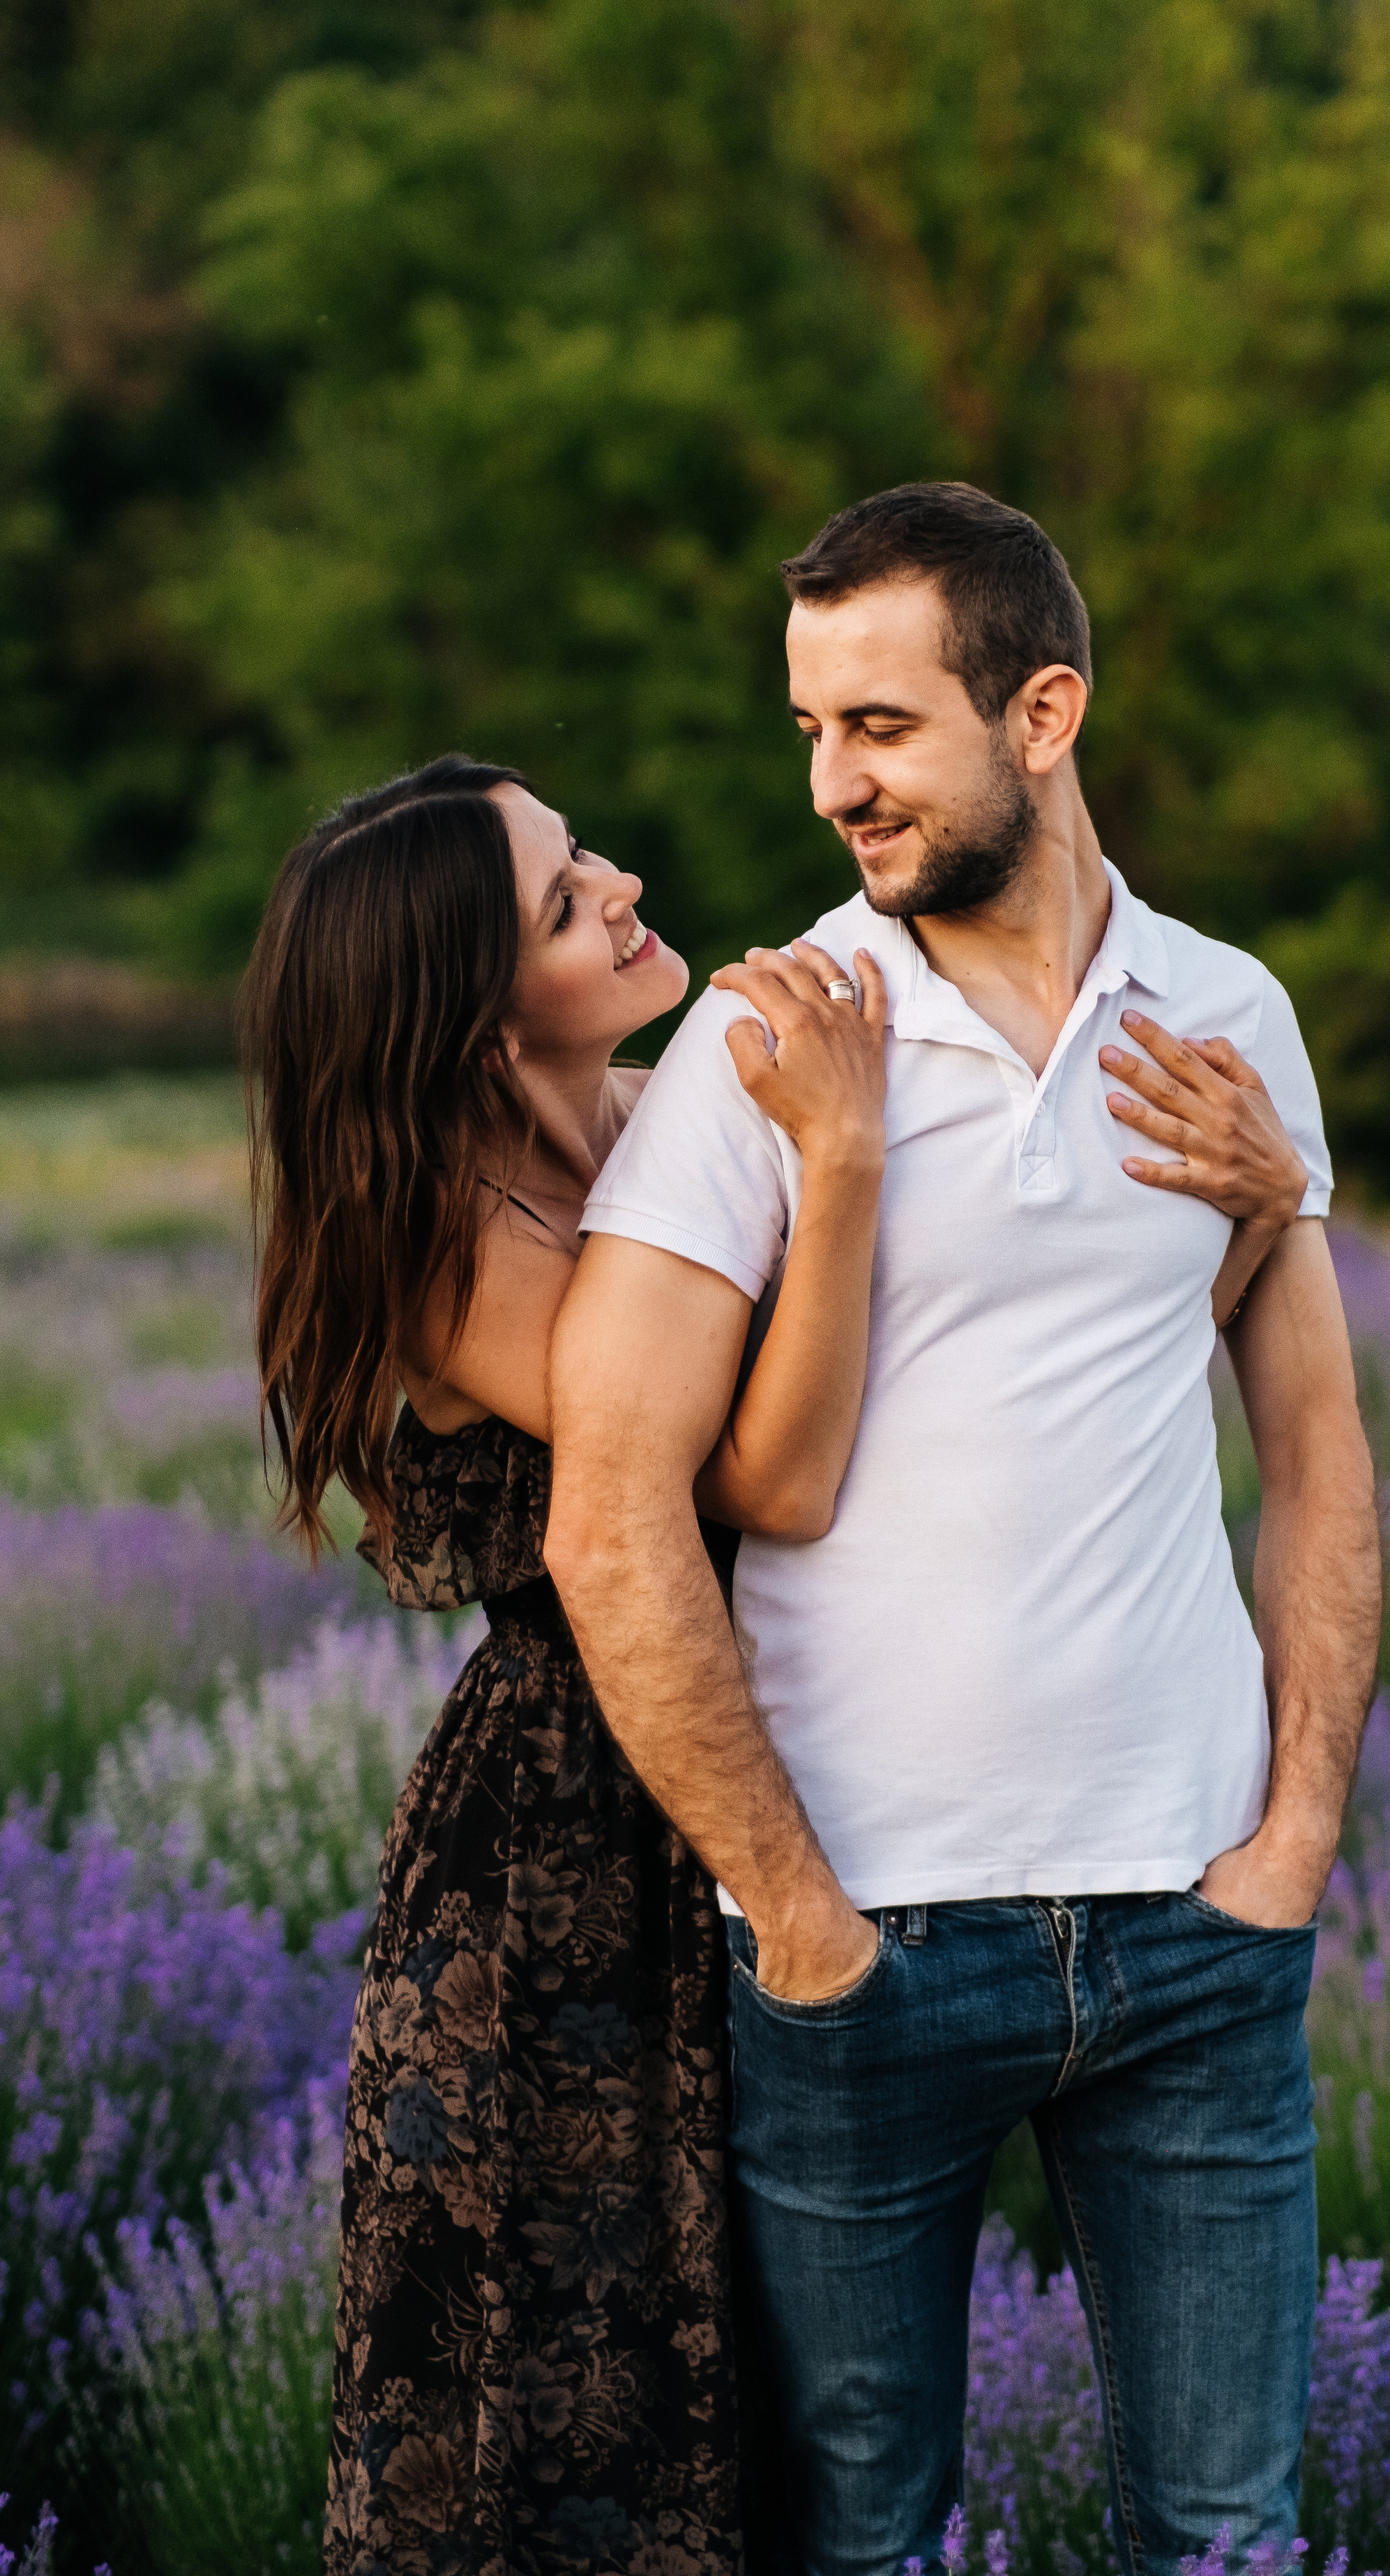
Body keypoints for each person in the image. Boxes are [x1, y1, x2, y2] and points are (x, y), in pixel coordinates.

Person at [543, 485, 1382, 2575]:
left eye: (884, 728)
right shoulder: (770, 1041)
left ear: (1043, 713)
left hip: (1197, 1925)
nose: (835, 784)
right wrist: (797, 1919)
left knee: (1230, 2535)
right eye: (814, 730)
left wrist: (1291, 1840)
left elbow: (1317, 1455)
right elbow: (613, 1520)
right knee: (865, 2547)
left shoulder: (1228, 1021)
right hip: (869, 1946)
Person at [241, 755, 891, 2576]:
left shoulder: (653, 1137)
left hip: (729, 1802)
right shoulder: (451, 1245)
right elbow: (765, 1473)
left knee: (762, 2405)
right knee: (557, 2427)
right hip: (554, 1876)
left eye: (582, 851)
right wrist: (835, 1166)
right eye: (557, 899)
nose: (616, 885)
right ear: (469, 1015)